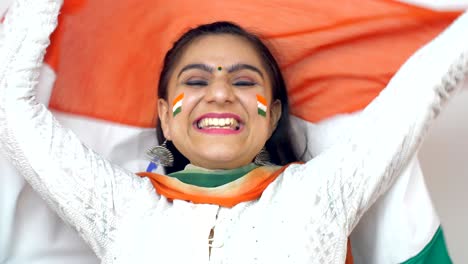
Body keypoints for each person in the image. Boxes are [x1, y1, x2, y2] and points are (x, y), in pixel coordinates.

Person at [0, 0, 466, 263]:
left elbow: (426, 82)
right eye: (196, 81)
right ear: (164, 115)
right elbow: (10, 109)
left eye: (244, 81)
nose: (220, 94)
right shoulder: (119, 209)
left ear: (273, 113)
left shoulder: (320, 195)